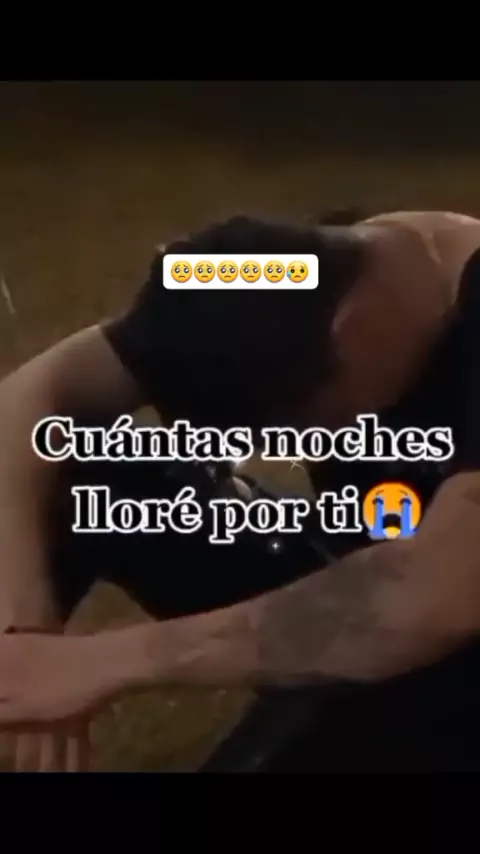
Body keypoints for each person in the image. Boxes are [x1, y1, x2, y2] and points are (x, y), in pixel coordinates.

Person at [1, 209, 480, 773]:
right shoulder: (303, 263)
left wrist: (101, 664)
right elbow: (34, 392)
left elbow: (439, 593)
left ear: (350, 333)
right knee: (77, 464)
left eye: (290, 432)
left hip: (444, 628)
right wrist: (26, 627)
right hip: (357, 564)